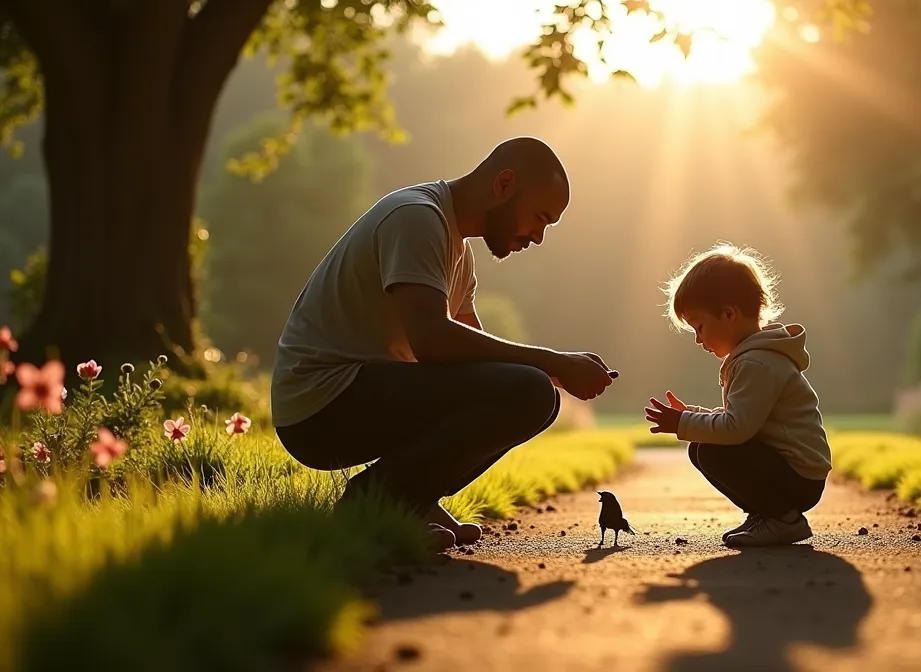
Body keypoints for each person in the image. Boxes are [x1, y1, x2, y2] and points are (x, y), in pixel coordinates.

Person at [271, 136, 617, 550]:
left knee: (532, 393)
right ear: (504, 184)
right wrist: (550, 362)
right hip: (320, 406)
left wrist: (552, 369)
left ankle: (411, 497)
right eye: (540, 217)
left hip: (360, 395)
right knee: (530, 392)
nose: (538, 237)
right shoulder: (416, 218)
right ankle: (377, 500)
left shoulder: (459, 253)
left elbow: (476, 362)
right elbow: (433, 342)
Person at [644, 244, 831, 547]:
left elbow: (737, 429)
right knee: (701, 446)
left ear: (729, 314)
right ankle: (768, 514)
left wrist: (684, 422)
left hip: (798, 479)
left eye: (699, 326)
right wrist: (690, 415)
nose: (698, 339)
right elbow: (742, 421)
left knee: (711, 450)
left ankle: (781, 518)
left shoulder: (757, 363)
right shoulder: (756, 358)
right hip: (792, 473)